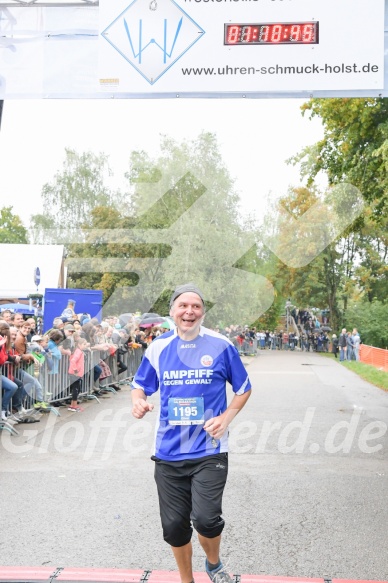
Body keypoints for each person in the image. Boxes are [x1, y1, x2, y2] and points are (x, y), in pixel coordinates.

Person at [131, 283, 252, 583]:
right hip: (169, 451)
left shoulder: (221, 344)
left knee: (207, 520)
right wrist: (138, 402)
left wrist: (226, 418)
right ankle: (187, 580)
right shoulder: (158, 346)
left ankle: (213, 563)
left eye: (195, 306)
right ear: (172, 312)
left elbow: (244, 388)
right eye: (183, 306)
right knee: (174, 527)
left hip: (209, 449)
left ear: (202, 312)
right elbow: (140, 385)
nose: (189, 311)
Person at [67, 336, 88, 412]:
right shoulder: (78, 352)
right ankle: (74, 405)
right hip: (75, 373)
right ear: (79, 344)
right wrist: (75, 370)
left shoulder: (78, 351)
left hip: (76, 373)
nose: (85, 346)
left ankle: (72, 405)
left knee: (76, 389)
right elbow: (73, 360)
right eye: (84, 344)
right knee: (76, 390)